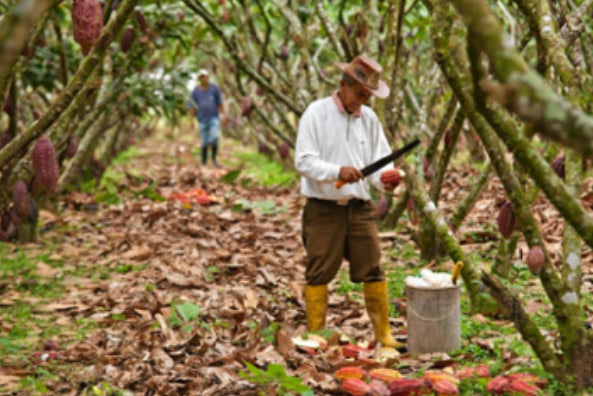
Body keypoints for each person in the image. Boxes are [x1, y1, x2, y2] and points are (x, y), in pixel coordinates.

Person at [294, 55, 404, 350]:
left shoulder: (369, 119)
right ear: (343, 85)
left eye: (368, 96)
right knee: (319, 271)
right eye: (359, 94)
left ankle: (383, 334)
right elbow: (303, 161)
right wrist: (336, 172)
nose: (363, 101)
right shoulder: (316, 113)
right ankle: (316, 334)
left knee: (372, 268)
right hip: (324, 208)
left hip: (360, 208)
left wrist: (387, 180)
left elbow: (379, 166)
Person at [188, 68, 225, 166]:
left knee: (215, 138)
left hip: (214, 118)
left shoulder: (214, 88)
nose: (204, 79)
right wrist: (191, 121)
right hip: (201, 120)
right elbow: (192, 106)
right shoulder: (195, 91)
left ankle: (214, 159)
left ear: (208, 78)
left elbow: (220, 103)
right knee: (204, 142)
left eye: (205, 77)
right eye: (201, 78)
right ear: (199, 79)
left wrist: (222, 116)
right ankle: (204, 162)